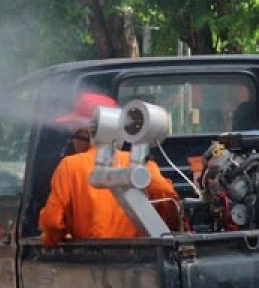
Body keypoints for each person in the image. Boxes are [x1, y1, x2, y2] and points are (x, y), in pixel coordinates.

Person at [39, 92, 179, 247]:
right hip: (141, 261)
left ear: (88, 132)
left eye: (73, 135)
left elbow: (52, 222)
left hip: (91, 261)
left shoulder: (69, 166)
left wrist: (50, 241)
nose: (72, 142)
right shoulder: (142, 165)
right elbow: (167, 198)